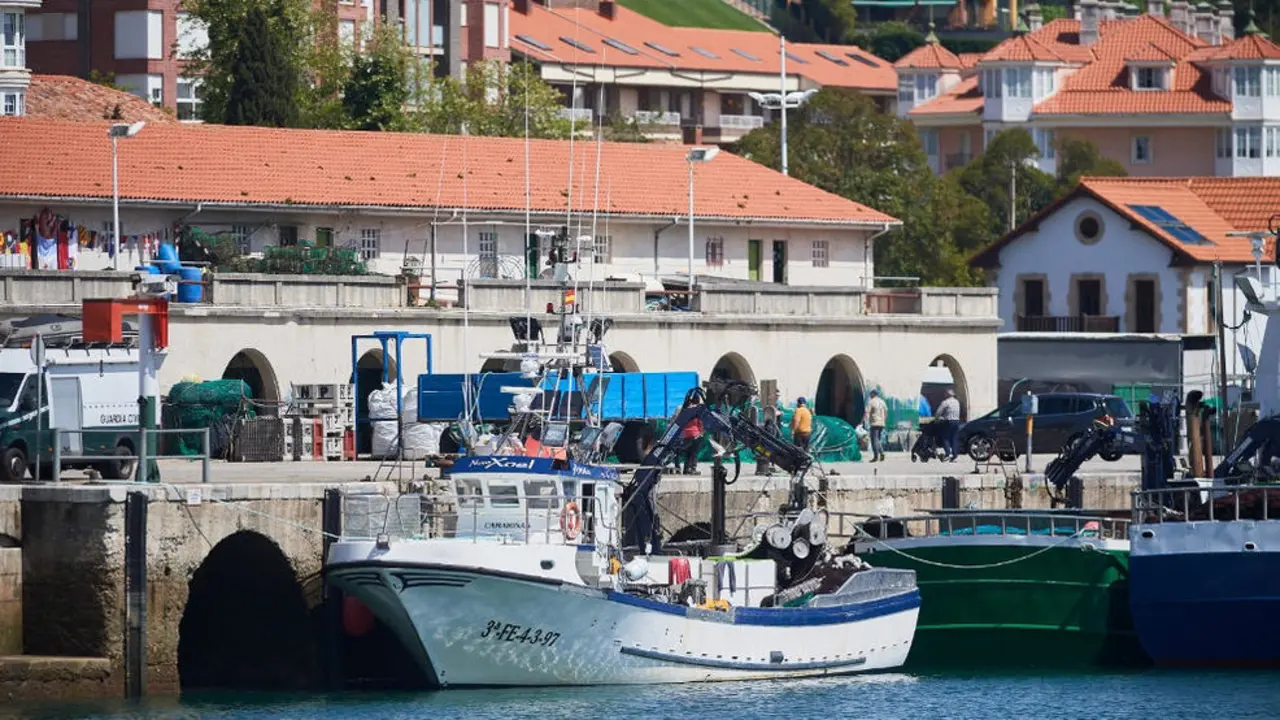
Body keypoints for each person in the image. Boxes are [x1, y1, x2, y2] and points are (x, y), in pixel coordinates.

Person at [935, 388, 962, 462]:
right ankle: (955, 456)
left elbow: (938, 412)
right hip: (956, 421)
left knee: (945, 438)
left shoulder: (945, 402)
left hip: (948, 421)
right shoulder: (957, 402)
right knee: (954, 439)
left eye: (945, 394)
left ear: (947, 394)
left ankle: (948, 453)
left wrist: (937, 419)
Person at [680, 396, 704, 474]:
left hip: (686, 434)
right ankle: (693, 469)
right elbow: (700, 422)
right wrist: (701, 432)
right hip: (695, 434)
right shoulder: (697, 410)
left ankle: (686, 469)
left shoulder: (684, 410)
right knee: (694, 452)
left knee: (687, 453)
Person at [865, 389, 888, 463]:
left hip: (874, 423)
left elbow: (867, 412)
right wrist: (883, 420)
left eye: (871, 394)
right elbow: (886, 412)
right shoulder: (882, 402)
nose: (870, 395)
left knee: (874, 440)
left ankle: (876, 456)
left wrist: (864, 422)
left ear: (873, 394)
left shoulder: (871, 402)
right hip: (882, 423)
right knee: (878, 439)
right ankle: (882, 453)